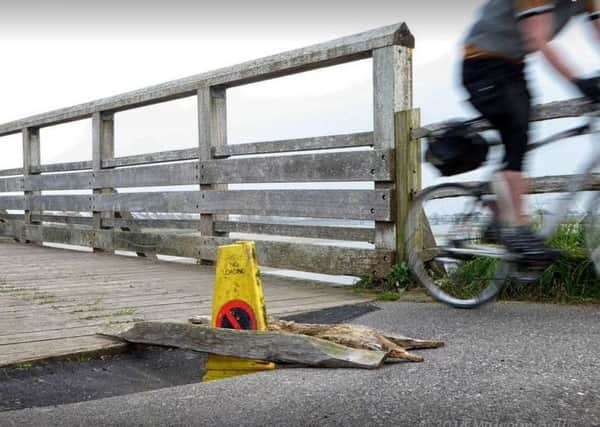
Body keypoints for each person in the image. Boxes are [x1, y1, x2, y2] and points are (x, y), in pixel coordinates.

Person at [462, 0, 600, 260]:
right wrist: (580, 82)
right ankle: (518, 228)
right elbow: (538, 39)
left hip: (514, 65)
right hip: (480, 62)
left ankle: (501, 216)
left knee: (522, 139)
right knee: (517, 132)